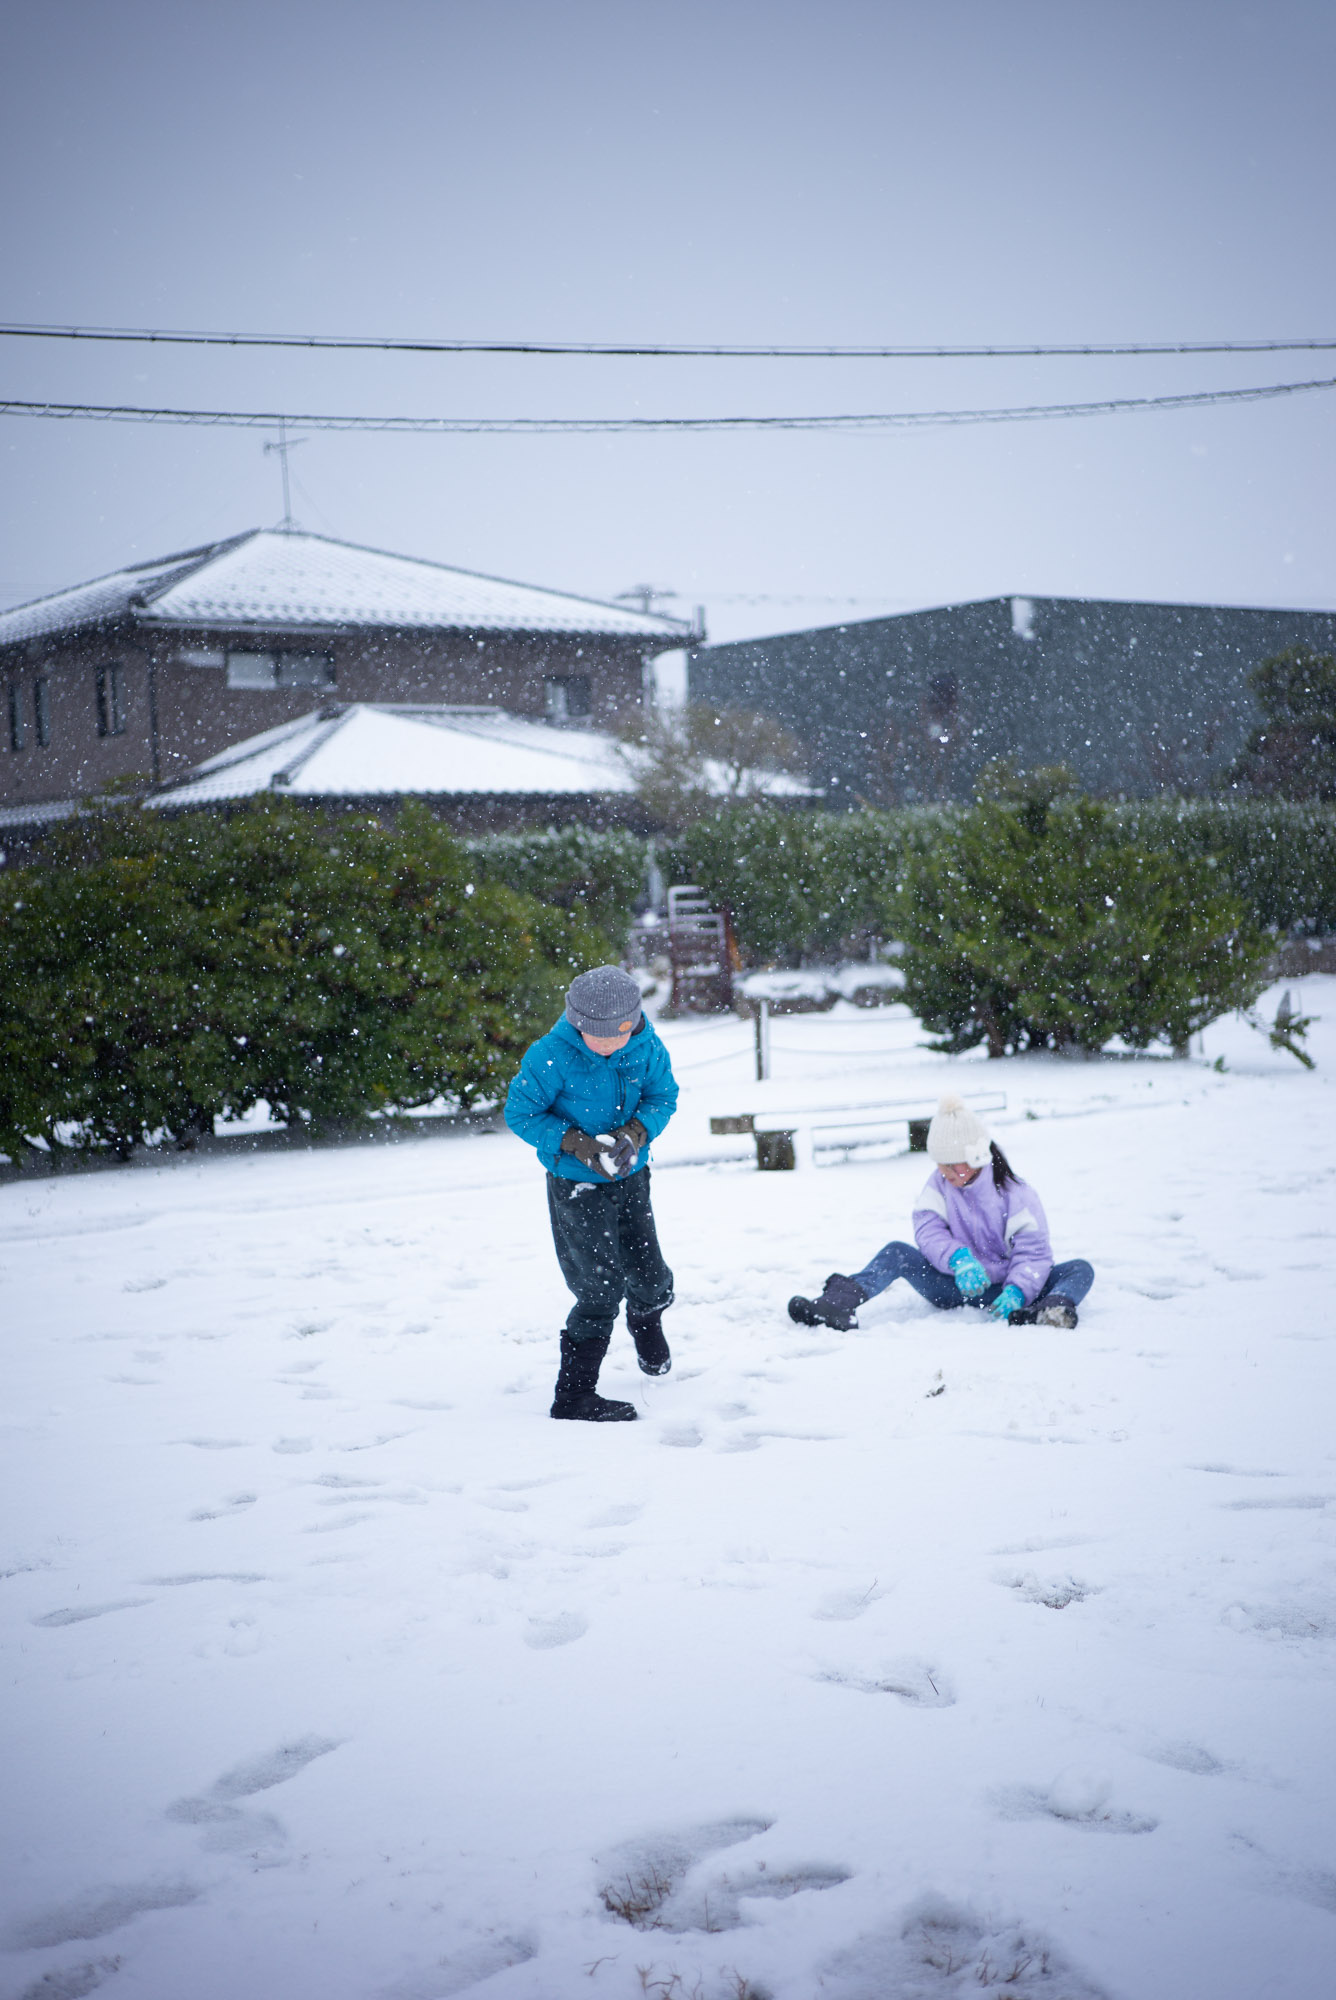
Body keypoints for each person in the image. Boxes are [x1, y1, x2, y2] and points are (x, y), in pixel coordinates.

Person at [505, 964, 680, 1422]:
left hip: (630, 1178)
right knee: (599, 1288)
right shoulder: (550, 1055)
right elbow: (521, 1113)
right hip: (576, 1185)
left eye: (615, 1035)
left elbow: (663, 1097)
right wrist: (575, 1144)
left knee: (652, 1277)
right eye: (595, 1036)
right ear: (576, 1021)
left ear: (632, 1023)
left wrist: (637, 1132)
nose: (606, 1045)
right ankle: (574, 1396)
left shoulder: (647, 1047)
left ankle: (645, 1321)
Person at [787, 1093, 1093, 1332]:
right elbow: (927, 1228)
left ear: (975, 1157)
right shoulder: (939, 1185)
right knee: (896, 1252)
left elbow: (1034, 1253)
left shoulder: (1017, 1194)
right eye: (940, 1164)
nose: (945, 1172)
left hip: (1003, 1293)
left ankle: (1048, 1310)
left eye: (951, 1164)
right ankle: (837, 1304)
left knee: (1079, 1269)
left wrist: (1017, 1291)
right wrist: (958, 1259)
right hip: (950, 1285)